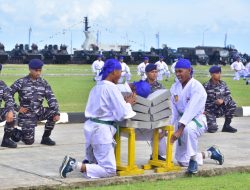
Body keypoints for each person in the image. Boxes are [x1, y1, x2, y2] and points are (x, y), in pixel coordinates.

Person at [59, 59, 136, 178]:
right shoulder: (111, 88)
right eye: (120, 71)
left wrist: (123, 103)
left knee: (95, 162)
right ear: (114, 71)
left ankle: (86, 164)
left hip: (91, 127)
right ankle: (74, 164)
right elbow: (122, 113)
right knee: (109, 170)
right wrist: (129, 103)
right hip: (102, 130)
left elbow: (105, 107)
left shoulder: (96, 87)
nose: (121, 75)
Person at [170, 59, 224, 174]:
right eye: (176, 71)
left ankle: (193, 161)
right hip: (181, 121)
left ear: (189, 70)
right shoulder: (174, 87)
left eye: (180, 71)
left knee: (189, 129)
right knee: (182, 161)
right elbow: (173, 111)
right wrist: (168, 127)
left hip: (197, 121)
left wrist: (180, 129)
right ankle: (211, 152)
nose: (178, 74)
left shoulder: (197, 87)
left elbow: (191, 110)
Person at [9, 59, 60, 146]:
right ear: (30, 69)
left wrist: (57, 112)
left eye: (40, 70)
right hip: (27, 114)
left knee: (53, 113)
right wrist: (17, 108)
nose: (38, 73)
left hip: (39, 111)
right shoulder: (21, 82)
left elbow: (51, 98)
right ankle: (13, 131)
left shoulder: (43, 83)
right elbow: (8, 95)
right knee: (29, 141)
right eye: (36, 70)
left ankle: (46, 138)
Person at [203, 65, 237, 133]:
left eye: (219, 72)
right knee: (212, 129)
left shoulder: (223, 84)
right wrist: (214, 102)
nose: (219, 75)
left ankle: (226, 126)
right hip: (210, 111)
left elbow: (229, 96)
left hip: (221, 108)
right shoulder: (206, 86)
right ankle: (207, 124)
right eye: (217, 73)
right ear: (211, 74)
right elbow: (201, 101)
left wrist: (223, 100)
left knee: (232, 103)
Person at [0, 64, 17, 148]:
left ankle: (6, 140)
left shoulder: (1, 84)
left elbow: (9, 99)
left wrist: (10, 110)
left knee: (12, 113)